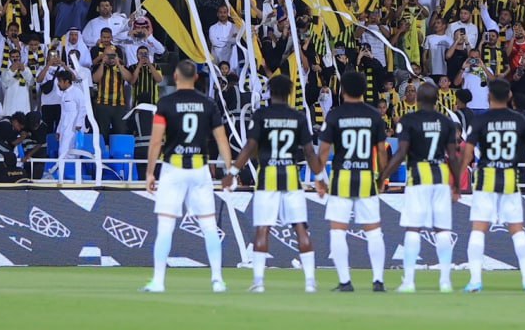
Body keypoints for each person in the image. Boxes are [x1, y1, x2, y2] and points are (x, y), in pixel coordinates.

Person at [143, 60, 236, 294]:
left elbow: (156, 141)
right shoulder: (208, 103)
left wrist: (149, 172)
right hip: (199, 169)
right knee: (208, 226)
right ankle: (217, 279)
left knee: (165, 226)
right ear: (196, 77)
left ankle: (158, 281)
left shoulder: (164, 104)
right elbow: (221, 139)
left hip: (173, 169)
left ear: (175, 76)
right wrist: (230, 170)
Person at [232, 74, 320, 293]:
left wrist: (233, 171)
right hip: (291, 176)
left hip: (267, 177)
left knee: (263, 229)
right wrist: (320, 178)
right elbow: (309, 152)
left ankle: (259, 282)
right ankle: (310, 282)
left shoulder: (261, 115)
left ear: (269, 92)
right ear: (290, 93)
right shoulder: (298, 117)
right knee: (301, 228)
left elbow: (250, 146)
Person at [460, 78, 525, 292]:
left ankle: (475, 281)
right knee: (517, 231)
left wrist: (457, 176)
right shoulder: (520, 120)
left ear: (489, 96)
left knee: (479, 230)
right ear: (509, 96)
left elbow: (468, 152)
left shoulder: (480, 121)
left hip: (486, 180)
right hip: (510, 179)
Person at [378, 82, 465, 293]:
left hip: (417, 178)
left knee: (413, 229)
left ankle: (409, 281)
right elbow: (452, 156)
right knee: (442, 230)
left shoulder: (409, 120)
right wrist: (457, 185)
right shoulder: (446, 122)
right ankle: (445, 281)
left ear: (417, 99)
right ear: (437, 100)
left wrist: (383, 176)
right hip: (440, 178)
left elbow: (400, 154)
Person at [316, 71, 391, 293]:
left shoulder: (335, 115)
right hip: (366, 175)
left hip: (342, 176)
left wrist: (320, 179)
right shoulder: (375, 116)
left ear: (343, 90)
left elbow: (323, 152)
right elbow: (381, 151)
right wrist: (383, 177)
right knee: (374, 231)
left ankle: (345, 282)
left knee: (338, 230)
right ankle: (378, 281)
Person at [0, 112, 29, 183]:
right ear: (15, 121)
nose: (19, 130)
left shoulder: (10, 122)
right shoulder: (5, 125)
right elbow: (14, 142)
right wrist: (23, 137)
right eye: (19, 126)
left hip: (2, 158)